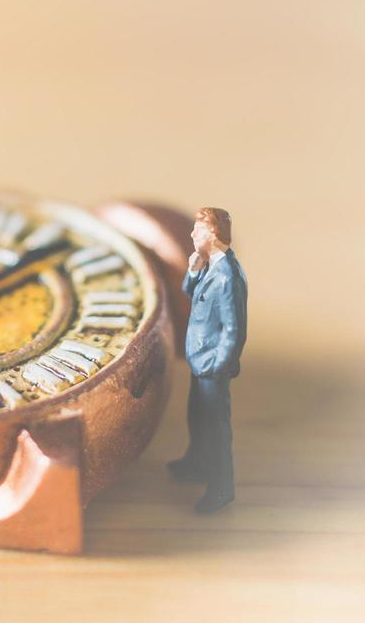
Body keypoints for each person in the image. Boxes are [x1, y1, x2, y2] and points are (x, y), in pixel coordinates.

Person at [167, 206, 247, 513]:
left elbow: (234, 328)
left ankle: (221, 488)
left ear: (212, 234)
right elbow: (189, 292)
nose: (191, 234)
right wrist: (193, 268)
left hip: (211, 365)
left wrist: (219, 364)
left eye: (197, 230)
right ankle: (196, 462)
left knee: (215, 429)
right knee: (197, 417)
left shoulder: (227, 277)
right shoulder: (211, 265)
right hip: (200, 360)